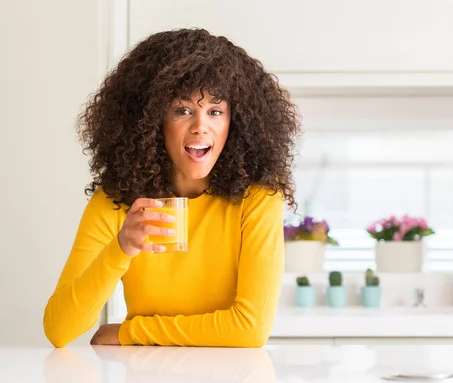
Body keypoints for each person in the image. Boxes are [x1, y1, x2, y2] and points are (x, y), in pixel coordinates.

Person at [43, 28, 301, 348]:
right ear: (152, 121)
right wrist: (120, 248)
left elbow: (249, 329)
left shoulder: (258, 198)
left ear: (235, 123)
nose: (200, 126)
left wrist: (131, 333)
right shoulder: (116, 203)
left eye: (215, 112)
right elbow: (59, 329)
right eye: (183, 110)